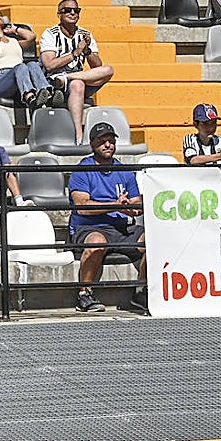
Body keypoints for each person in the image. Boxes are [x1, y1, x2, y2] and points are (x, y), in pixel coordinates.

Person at [67, 121, 145, 314]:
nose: (108, 145)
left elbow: (137, 203)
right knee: (96, 242)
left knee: (152, 240)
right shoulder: (82, 169)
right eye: (103, 141)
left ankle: (141, 292)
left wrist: (132, 209)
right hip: (88, 227)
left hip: (120, 227)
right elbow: (82, 207)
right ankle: (84, 294)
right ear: (93, 144)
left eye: (111, 141)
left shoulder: (124, 170)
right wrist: (113, 205)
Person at [39, 0, 115, 144]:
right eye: (68, 10)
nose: (73, 13)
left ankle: (67, 77)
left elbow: (97, 66)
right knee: (78, 85)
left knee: (108, 70)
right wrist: (75, 53)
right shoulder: (50, 34)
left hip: (75, 77)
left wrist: (86, 51)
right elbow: (49, 65)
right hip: (56, 82)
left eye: (76, 10)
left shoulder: (85, 34)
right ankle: (79, 136)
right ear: (59, 14)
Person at [0, 6, 51, 109]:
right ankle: (29, 98)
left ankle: (47, 93)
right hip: (1, 80)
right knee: (21, 67)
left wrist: (15, 29)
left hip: (21, 79)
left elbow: (31, 37)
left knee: (32, 64)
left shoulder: (13, 41)